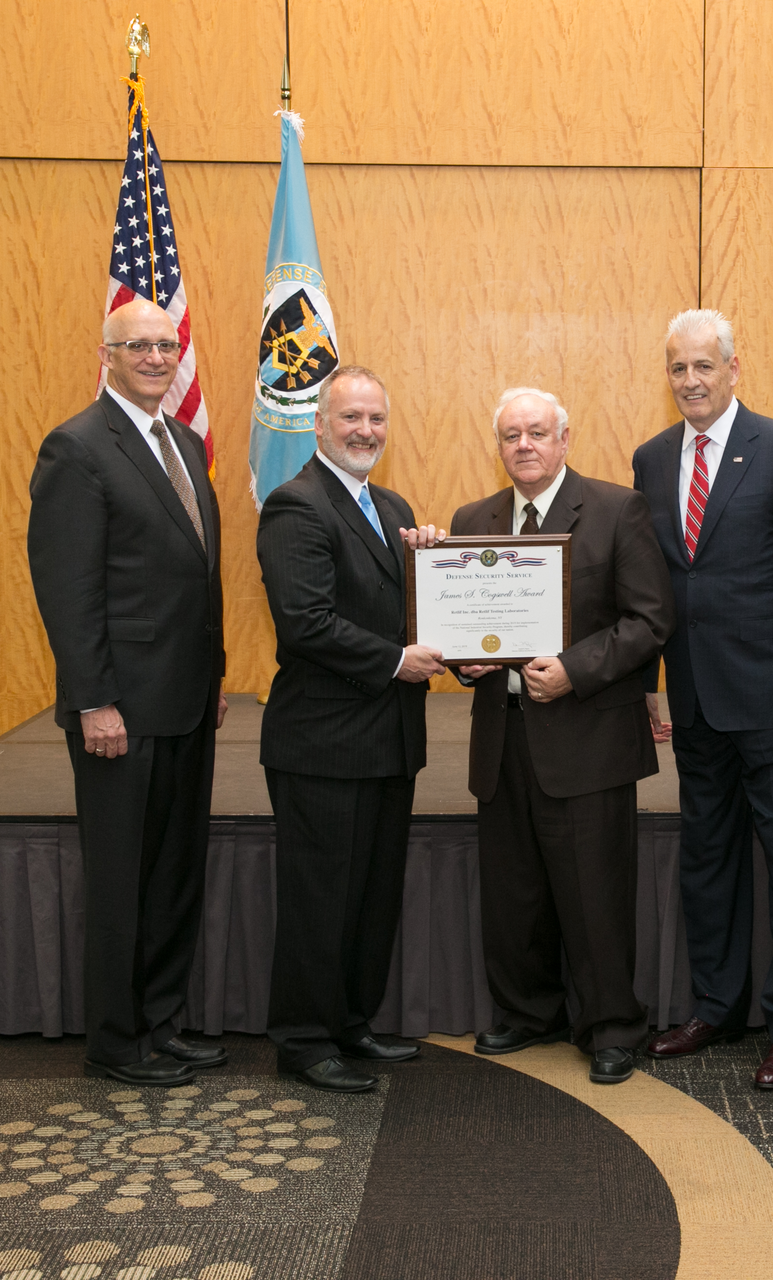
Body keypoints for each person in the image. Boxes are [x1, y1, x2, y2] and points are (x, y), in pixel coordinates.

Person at [407, 388, 674, 1086]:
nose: (524, 445)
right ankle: (530, 1014)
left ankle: (612, 1026)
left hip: (587, 737)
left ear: (564, 439)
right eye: (511, 435)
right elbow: (465, 629)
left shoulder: (617, 510)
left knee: (595, 894)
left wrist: (574, 672)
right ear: (498, 445)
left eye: (537, 433)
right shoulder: (474, 520)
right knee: (515, 890)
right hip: (504, 737)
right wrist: (465, 661)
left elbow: (649, 622)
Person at [631, 309, 773, 1090]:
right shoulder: (651, 460)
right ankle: (716, 1007)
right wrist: (648, 683)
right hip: (692, 699)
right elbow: (650, 584)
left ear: (733, 368)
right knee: (707, 862)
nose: (690, 381)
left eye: (703, 367)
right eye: (678, 369)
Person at [26, 296, 229, 1087]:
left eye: (164, 343)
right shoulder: (76, 449)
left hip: (185, 703)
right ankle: (117, 1041)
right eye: (136, 345)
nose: (154, 356)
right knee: (120, 880)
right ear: (105, 352)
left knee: (174, 875)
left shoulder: (180, 440)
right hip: (120, 712)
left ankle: (162, 1021)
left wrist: (212, 679)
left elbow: (197, 577)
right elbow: (67, 591)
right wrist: (93, 700)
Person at [257, 365, 444, 1093]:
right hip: (322, 745)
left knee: (370, 893)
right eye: (350, 419)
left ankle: (351, 1022)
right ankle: (304, 1039)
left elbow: (404, 609)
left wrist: (431, 568)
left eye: (375, 419)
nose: (365, 431)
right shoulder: (295, 506)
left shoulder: (388, 503)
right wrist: (398, 660)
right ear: (319, 425)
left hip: (388, 741)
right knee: (320, 897)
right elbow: (306, 624)